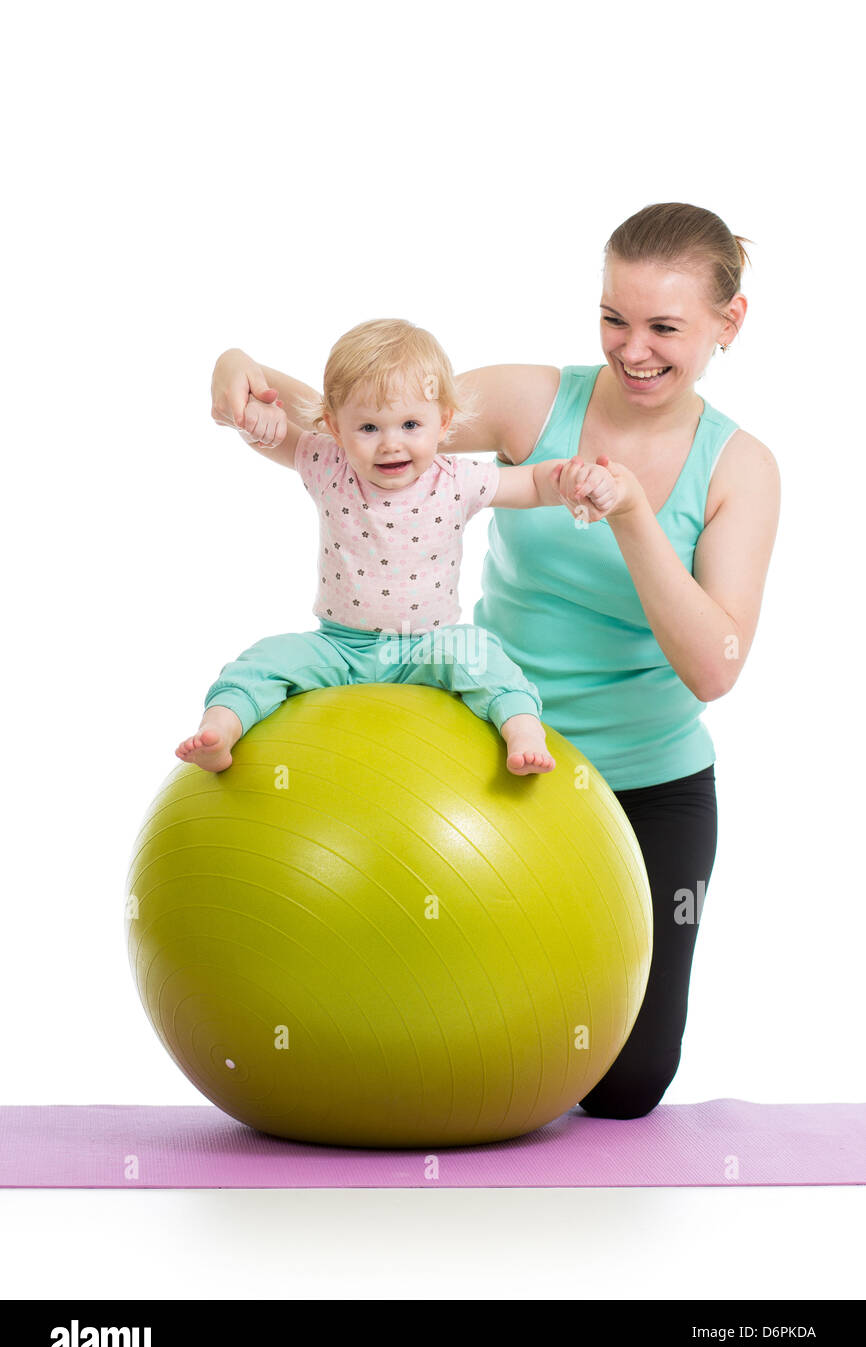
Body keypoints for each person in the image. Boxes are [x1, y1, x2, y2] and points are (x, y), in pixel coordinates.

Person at [208, 203, 781, 1119]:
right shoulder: (531, 400)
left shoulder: (740, 467)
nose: (634, 349)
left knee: (629, 1088)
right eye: (614, 318)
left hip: (648, 783)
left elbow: (715, 668)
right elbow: (368, 422)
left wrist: (632, 515)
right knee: (449, 1019)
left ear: (729, 322)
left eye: (664, 327)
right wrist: (244, 372)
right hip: (498, 759)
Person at [177, 317, 615, 777]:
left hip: (430, 646)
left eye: (410, 424)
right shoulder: (327, 463)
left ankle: (523, 730)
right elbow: (270, 433)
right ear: (335, 427)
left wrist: (568, 480)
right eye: (368, 427)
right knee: (265, 660)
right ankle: (219, 730)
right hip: (339, 647)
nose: (390, 444)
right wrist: (249, 409)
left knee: (482, 655)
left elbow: (530, 482)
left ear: (443, 422)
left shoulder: (456, 479)